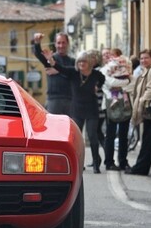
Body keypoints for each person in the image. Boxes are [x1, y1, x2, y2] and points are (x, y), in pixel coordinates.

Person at [39, 45, 105, 173]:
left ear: (89, 63)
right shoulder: (73, 73)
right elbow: (60, 68)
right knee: (76, 138)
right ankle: (77, 164)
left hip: (91, 109)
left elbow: (103, 79)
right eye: (79, 61)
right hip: (77, 109)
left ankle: (96, 164)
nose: (81, 64)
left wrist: (98, 86)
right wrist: (51, 61)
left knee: (92, 136)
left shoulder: (96, 74)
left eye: (84, 61)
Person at [126, 49, 151, 176]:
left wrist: (142, 101)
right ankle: (139, 167)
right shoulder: (148, 70)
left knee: (149, 141)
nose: (143, 60)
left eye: (146, 58)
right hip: (149, 111)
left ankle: (141, 169)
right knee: (147, 140)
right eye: (141, 58)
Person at [101, 48, 135, 171]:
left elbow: (133, 83)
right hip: (110, 105)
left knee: (123, 135)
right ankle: (109, 162)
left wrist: (123, 83)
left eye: (109, 54)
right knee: (110, 134)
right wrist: (125, 82)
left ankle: (123, 162)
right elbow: (109, 83)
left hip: (125, 104)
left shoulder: (125, 68)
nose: (107, 56)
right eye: (104, 55)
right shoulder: (103, 71)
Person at [32, 32, 75, 116]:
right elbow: (39, 55)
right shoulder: (51, 58)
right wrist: (37, 43)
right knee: (53, 127)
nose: (61, 45)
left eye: (63, 42)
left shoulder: (72, 61)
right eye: (59, 43)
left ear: (68, 43)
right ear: (55, 44)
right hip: (53, 100)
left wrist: (57, 70)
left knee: (68, 128)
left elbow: (73, 72)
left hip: (69, 100)